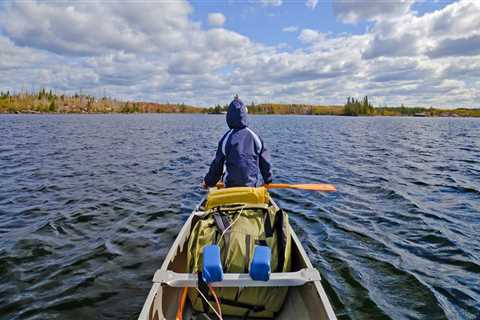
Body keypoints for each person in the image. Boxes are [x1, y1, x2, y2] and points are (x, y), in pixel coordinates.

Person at [203, 95, 272, 188]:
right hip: (251, 188)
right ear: (244, 116)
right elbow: (265, 163)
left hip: (230, 189)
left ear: (229, 117)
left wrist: (208, 183)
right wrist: (268, 180)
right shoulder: (256, 137)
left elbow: (217, 167)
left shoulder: (226, 138)